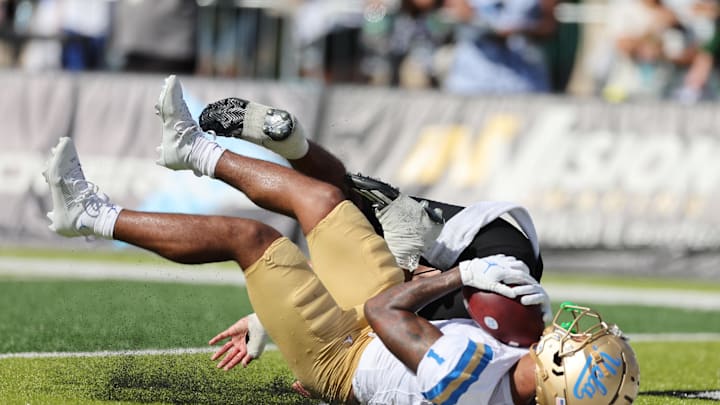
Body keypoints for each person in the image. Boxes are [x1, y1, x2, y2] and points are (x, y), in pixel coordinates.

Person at [43, 75, 640, 404]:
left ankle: (88, 214)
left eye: (579, 344)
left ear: (557, 372)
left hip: (342, 355)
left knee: (249, 238)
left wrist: (462, 276)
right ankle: (194, 148)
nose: (576, 330)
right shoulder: (516, 379)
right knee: (322, 202)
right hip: (378, 327)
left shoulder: (473, 378)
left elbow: (383, 312)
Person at [198, 94, 544, 322]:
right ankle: (202, 155)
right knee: (375, 308)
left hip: (504, 242)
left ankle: (294, 145)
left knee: (348, 203)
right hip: (481, 282)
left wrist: (264, 321)